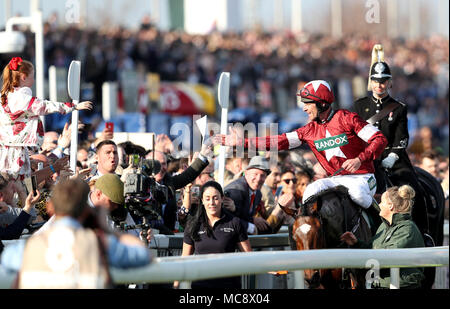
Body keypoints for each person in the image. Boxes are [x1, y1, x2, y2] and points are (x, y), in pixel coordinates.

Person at [217, 80, 387, 212]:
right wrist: (242, 143)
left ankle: (382, 222)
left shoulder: (347, 118)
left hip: (363, 178)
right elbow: (279, 141)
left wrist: (359, 159)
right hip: (335, 180)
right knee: (309, 192)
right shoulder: (308, 131)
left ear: (322, 103)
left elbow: (379, 139)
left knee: (357, 194)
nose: (304, 108)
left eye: (307, 103)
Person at [1, 178, 151, 288]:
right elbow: (142, 256)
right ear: (87, 210)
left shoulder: (30, 248)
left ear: (51, 208)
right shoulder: (101, 244)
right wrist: (111, 232)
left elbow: (7, 258)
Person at [353, 44, 429, 236]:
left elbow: (402, 137)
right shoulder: (359, 106)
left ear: (390, 83)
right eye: (376, 81)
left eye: (384, 81)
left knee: (415, 191)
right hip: (367, 160)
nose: (380, 85)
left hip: (393, 160)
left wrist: (393, 156)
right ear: (370, 82)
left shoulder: (399, 108)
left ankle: (422, 234)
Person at [0, 57, 93, 180]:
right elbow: (45, 106)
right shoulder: (21, 98)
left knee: (16, 183)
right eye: (32, 76)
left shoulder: (6, 97)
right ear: (23, 77)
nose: (33, 80)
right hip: (16, 151)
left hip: (8, 149)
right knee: (18, 184)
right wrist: (73, 107)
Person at [340, 185, 425, 289]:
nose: (379, 204)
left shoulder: (407, 229)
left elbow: (385, 258)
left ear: (391, 206)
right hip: (380, 284)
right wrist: (357, 243)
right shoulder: (383, 226)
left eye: (382, 202)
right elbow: (373, 250)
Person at [174, 181, 251, 289]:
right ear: (202, 200)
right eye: (207, 198)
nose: (212, 202)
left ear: (222, 199)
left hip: (229, 285)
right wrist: (176, 284)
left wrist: (269, 266)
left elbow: (249, 256)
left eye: (215, 198)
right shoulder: (193, 224)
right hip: (200, 285)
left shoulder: (234, 222)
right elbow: (185, 258)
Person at [145, 144, 212, 233]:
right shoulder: (142, 184)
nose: (161, 168)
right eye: (157, 164)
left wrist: (202, 155)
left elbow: (187, 176)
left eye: (164, 164)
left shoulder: (169, 182)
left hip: (168, 238)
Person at [224, 156, 272, 235]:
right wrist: (252, 221)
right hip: (229, 228)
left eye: (262, 175)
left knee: (267, 229)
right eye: (255, 174)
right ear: (246, 173)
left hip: (242, 224)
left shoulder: (258, 193)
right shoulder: (236, 190)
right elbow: (229, 217)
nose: (258, 179)